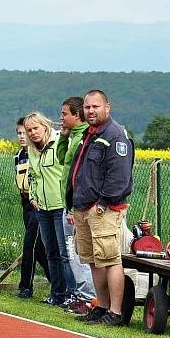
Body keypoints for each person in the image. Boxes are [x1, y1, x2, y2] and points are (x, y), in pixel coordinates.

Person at [68, 90, 134, 326]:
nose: (91, 111)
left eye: (96, 106)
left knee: (109, 259)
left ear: (108, 107)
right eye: (87, 107)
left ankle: (116, 313)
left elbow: (120, 177)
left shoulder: (115, 136)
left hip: (103, 209)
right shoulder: (90, 134)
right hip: (83, 206)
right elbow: (78, 171)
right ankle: (102, 306)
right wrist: (72, 203)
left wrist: (103, 204)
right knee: (93, 260)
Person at [23, 112, 74, 306]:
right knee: (50, 252)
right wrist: (33, 197)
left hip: (60, 206)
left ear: (45, 127)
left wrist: (68, 200)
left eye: (36, 128)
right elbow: (33, 176)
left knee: (65, 253)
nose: (33, 133)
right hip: (42, 208)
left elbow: (68, 173)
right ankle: (57, 293)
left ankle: (72, 293)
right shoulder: (31, 150)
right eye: (29, 130)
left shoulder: (60, 143)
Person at [56, 96, 96, 313]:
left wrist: (72, 208)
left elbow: (79, 174)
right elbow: (62, 159)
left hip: (76, 206)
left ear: (76, 115)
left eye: (64, 114)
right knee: (70, 254)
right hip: (68, 204)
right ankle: (78, 294)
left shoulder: (84, 137)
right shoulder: (73, 136)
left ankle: (88, 297)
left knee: (78, 253)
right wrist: (63, 137)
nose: (61, 118)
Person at [13, 118, 51, 298]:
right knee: (40, 248)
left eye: (25, 132)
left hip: (38, 204)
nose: (23, 136)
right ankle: (57, 281)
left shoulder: (38, 153)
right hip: (26, 204)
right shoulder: (19, 156)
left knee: (30, 244)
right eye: (19, 133)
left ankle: (25, 286)